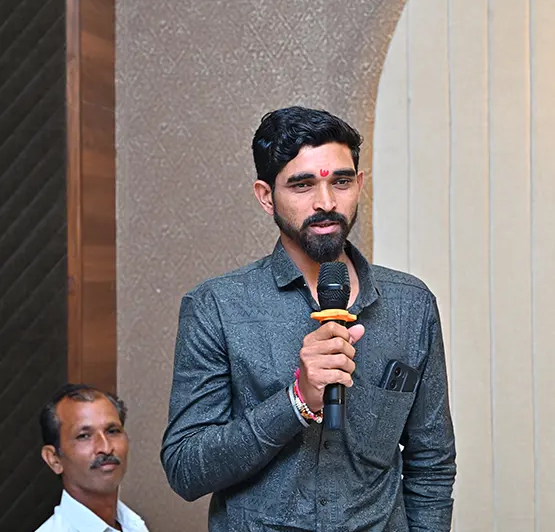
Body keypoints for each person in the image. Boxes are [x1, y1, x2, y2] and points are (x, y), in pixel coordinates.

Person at [161, 106, 456, 531]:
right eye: (302, 185)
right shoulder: (217, 307)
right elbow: (186, 468)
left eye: (341, 181)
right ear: (266, 196)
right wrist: (296, 400)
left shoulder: (411, 304)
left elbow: (432, 463)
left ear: (360, 184)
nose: (326, 203)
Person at [36, 383, 149, 532]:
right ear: (54, 459)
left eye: (112, 431)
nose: (106, 448)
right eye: (84, 436)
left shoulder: (133, 525)